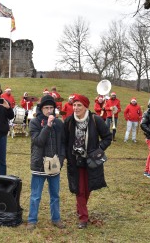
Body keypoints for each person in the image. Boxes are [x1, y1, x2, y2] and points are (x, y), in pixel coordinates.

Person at [64, 94, 112, 229]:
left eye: (79, 105)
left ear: (86, 107)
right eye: (74, 105)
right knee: (79, 189)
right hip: (75, 161)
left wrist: (98, 150)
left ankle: (80, 209)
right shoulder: (69, 122)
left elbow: (107, 137)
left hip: (91, 160)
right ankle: (83, 218)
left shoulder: (95, 120)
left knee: (87, 188)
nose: (76, 107)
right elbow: (64, 141)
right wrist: (66, 155)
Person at [26, 95, 66, 231]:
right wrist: (48, 126)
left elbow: (62, 143)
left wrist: (61, 159)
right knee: (35, 195)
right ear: (41, 108)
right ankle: (32, 220)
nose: (49, 110)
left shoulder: (59, 123)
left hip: (54, 164)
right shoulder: (34, 123)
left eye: (51, 108)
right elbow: (38, 141)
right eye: (46, 108)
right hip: (39, 164)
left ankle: (56, 219)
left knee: (55, 195)